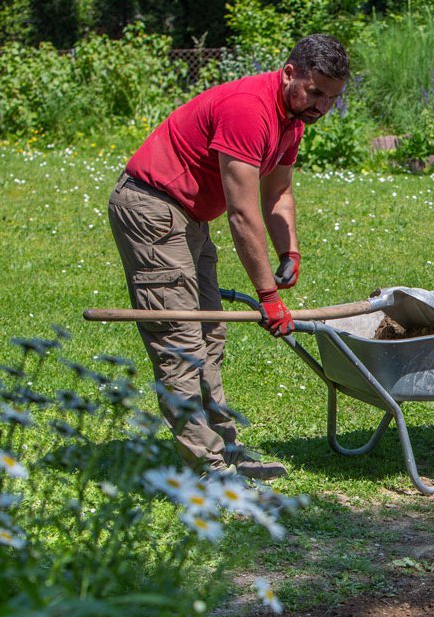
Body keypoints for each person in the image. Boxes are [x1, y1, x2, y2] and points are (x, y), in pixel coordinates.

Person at [106, 34, 349, 480]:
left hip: (189, 216)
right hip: (151, 206)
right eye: (315, 93)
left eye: (331, 99)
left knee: (211, 332)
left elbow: (277, 193)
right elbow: (241, 214)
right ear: (289, 72)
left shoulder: (292, 121)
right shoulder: (248, 110)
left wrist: (288, 249)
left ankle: (225, 449)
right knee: (178, 339)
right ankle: (208, 468)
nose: (322, 107)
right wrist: (268, 295)